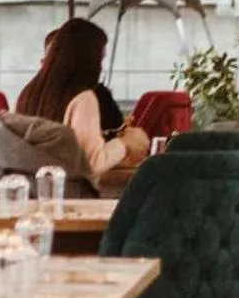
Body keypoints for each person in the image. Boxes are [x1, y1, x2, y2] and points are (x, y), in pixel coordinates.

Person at [17, 18, 148, 182]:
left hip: (33, 190)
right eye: (100, 59)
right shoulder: (83, 99)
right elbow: (92, 163)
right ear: (87, 59)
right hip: (69, 194)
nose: (100, 67)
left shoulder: (27, 93)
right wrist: (126, 143)